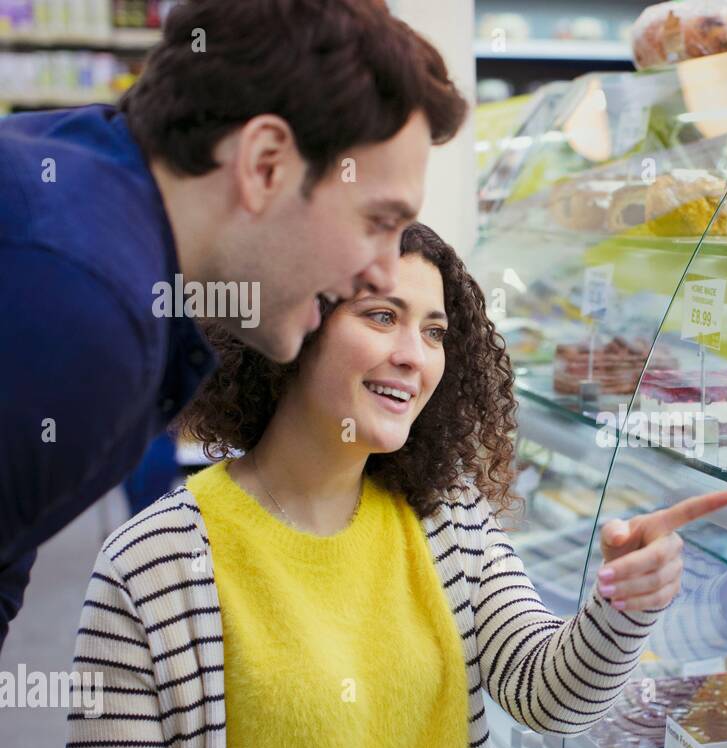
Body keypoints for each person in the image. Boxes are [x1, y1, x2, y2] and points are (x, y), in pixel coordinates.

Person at [63, 224, 727, 748]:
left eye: (434, 330)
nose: (415, 355)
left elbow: (548, 695)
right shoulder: (152, 566)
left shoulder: (446, 520)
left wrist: (623, 607)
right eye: (382, 316)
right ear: (295, 323)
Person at [0, 0, 466, 648]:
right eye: (377, 221)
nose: (384, 274)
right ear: (266, 163)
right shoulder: (86, 310)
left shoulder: (83, 183)